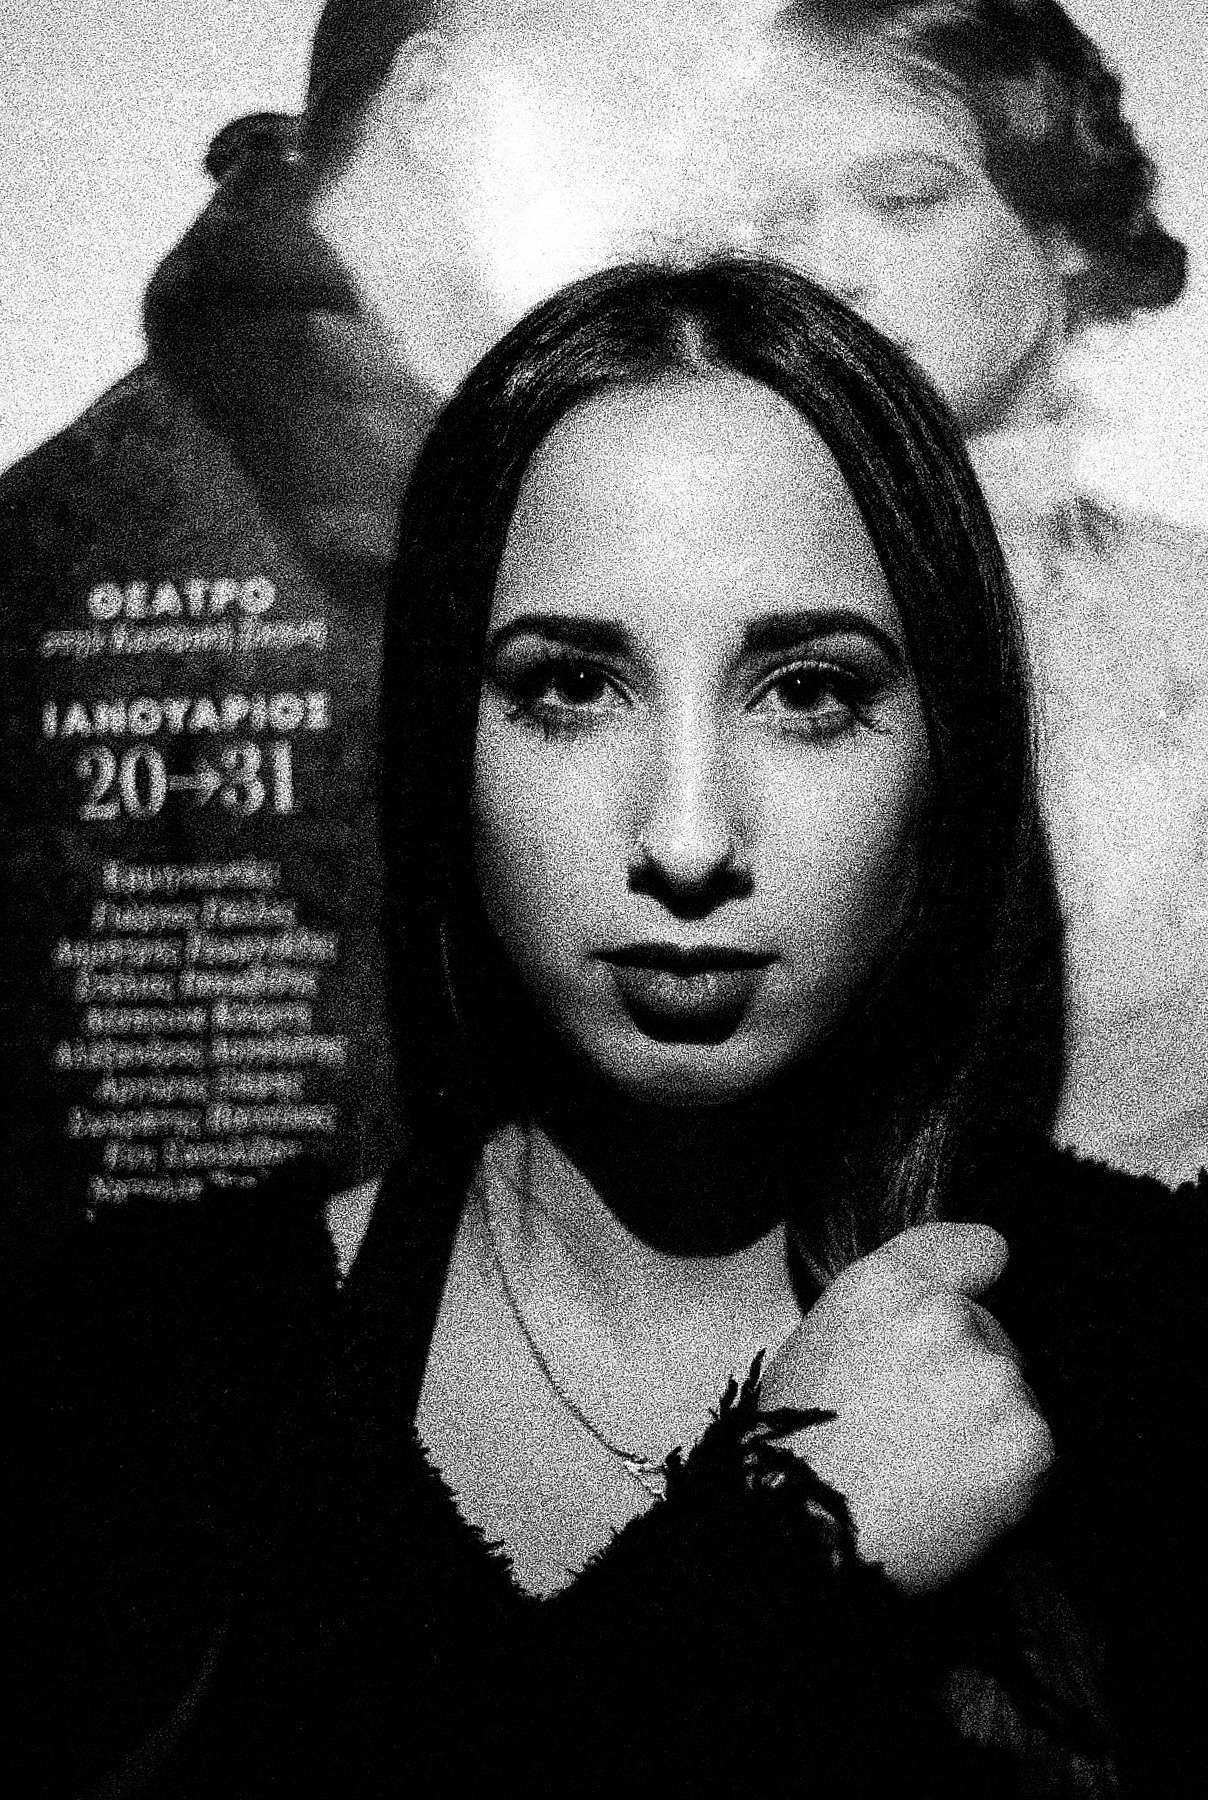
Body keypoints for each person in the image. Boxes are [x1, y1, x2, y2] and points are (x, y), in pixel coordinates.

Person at [12, 259, 1206, 1798]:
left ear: (947, 760)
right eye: (571, 685)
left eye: (809, 691)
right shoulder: (149, 1376)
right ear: (446, 744)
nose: (689, 837)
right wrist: (791, 1554)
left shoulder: (1161, 1355)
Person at [0, 0, 768, 1280]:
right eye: (636, 111)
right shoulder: (123, 535)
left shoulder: (476, 472)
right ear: (429, 98)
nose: (696, 184)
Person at [707, 0, 1208, 1182]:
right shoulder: (680, 614)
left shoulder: (1193, 614)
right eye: (780, 221)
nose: (827, 272)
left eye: (902, 200)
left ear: (1062, 230)